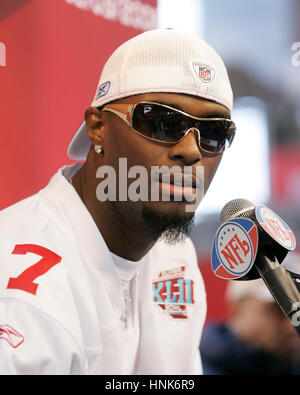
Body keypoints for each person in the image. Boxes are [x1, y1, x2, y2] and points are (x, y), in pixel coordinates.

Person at [0, 29, 235, 374]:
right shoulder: (19, 288)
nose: (190, 151)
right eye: (161, 122)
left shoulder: (176, 257)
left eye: (214, 133)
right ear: (97, 127)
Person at [200, 278, 300, 375]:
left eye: (297, 314)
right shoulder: (193, 367)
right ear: (239, 310)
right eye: (278, 310)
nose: (291, 327)